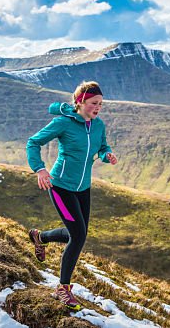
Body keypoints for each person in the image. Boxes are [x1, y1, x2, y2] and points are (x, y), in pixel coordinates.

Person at [25, 80, 117, 310]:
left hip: (83, 187)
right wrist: (40, 169)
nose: (98, 108)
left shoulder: (98, 125)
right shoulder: (63, 123)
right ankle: (62, 289)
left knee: (79, 234)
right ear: (80, 101)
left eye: (101, 104)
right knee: (77, 236)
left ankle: (41, 237)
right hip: (61, 186)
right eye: (94, 103)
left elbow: (102, 147)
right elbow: (33, 142)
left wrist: (107, 156)